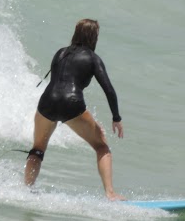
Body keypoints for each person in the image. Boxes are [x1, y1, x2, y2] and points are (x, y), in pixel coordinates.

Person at [24, 18, 124, 200]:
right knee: (102, 146)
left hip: (47, 101)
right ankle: (110, 193)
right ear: (94, 37)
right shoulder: (93, 58)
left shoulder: (60, 53)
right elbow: (108, 88)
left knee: (38, 149)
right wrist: (116, 117)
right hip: (72, 103)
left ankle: (27, 190)